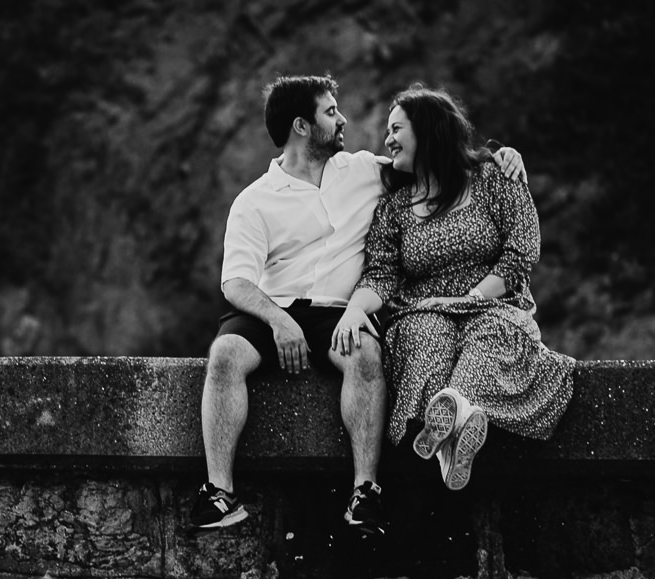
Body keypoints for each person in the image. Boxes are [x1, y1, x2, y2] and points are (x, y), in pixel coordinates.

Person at [191, 76, 525, 532]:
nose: (342, 119)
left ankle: (365, 492)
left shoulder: (364, 169)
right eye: (331, 112)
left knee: (367, 355)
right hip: (272, 308)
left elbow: (434, 156)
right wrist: (278, 321)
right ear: (302, 127)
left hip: (338, 310)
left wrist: (497, 156)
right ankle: (220, 494)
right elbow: (235, 283)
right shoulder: (254, 201)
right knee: (224, 354)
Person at [332, 84, 573, 491]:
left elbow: (521, 251)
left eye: (396, 129)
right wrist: (355, 309)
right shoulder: (393, 208)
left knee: (492, 334)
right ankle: (455, 428)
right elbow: (381, 274)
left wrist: (470, 299)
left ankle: (449, 425)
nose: (387, 140)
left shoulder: (495, 177)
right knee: (422, 336)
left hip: (493, 304)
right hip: (424, 311)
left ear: (428, 130)